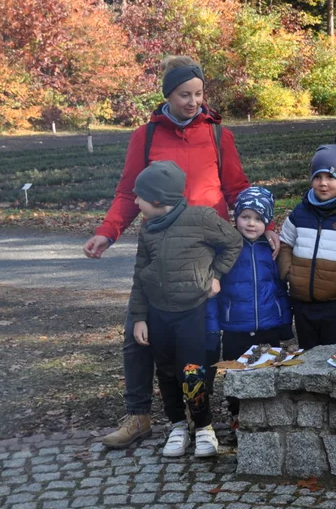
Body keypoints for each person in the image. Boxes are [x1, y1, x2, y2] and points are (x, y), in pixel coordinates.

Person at [86, 55, 274, 450]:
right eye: (184, 95)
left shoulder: (219, 135)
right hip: (159, 244)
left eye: (199, 94)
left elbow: (237, 188)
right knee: (139, 331)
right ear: (167, 95)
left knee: (209, 333)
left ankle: (214, 417)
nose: (194, 102)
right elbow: (127, 192)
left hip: (208, 245)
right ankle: (139, 414)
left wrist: (265, 227)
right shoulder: (147, 136)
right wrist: (108, 231)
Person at [127, 161, 243, 458]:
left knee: (192, 373)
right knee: (165, 372)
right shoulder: (148, 229)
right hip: (157, 313)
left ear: (157, 200)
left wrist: (216, 275)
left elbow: (233, 241)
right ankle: (178, 425)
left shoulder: (201, 218)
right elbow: (141, 273)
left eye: (139, 196)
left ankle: (203, 426)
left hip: (191, 312)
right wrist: (140, 317)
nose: (135, 200)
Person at [207, 187, 291, 423]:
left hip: (268, 326)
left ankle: (265, 417)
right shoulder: (227, 248)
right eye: (245, 217)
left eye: (258, 218)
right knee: (236, 375)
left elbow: (279, 289)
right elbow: (214, 292)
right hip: (235, 327)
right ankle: (237, 416)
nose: (251, 224)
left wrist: (285, 323)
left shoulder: (272, 249)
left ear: (268, 222)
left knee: (266, 373)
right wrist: (214, 327)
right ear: (236, 218)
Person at [278, 145, 336, 349]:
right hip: (302, 303)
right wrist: (288, 272)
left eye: (330, 177)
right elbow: (285, 243)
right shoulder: (300, 212)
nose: (323, 184)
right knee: (308, 355)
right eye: (317, 177)